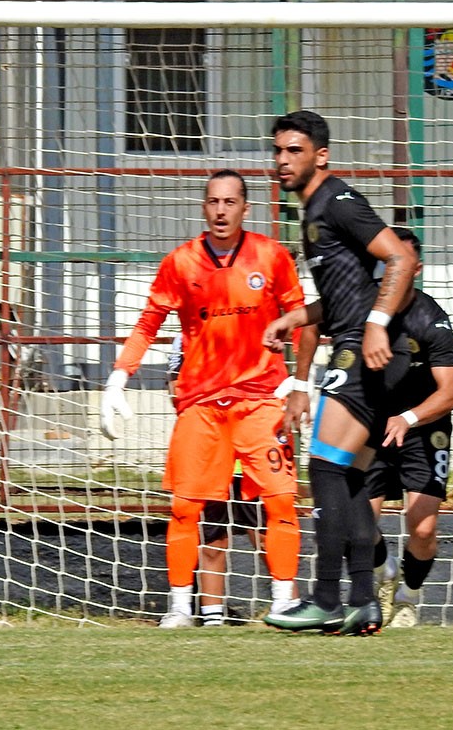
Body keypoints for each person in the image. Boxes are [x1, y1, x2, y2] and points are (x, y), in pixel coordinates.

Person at [100, 169, 317, 628]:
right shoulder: (180, 262)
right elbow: (148, 324)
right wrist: (119, 377)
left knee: (280, 501)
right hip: (201, 403)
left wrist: (301, 383)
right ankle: (181, 608)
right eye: (213, 202)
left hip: (261, 399)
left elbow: (303, 318)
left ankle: (283, 603)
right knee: (185, 508)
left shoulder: (272, 256)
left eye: (230, 202)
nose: (221, 210)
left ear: (245, 208)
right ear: (204, 207)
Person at [262, 110, 417, 636]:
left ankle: (326, 597)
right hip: (361, 346)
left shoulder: (339, 202)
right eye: (279, 150)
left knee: (325, 467)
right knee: (346, 476)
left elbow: (400, 258)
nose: (283, 160)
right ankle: (361, 600)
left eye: (295, 150)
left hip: (365, 352)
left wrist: (375, 327)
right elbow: (343, 297)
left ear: (320, 156)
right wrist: (297, 316)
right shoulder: (314, 213)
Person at [167, 336, 299, 626]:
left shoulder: (256, 328)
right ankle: (211, 618)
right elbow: (175, 385)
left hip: (254, 453)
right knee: (212, 541)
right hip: (211, 454)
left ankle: (288, 605)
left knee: (267, 534)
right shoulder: (187, 336)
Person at [366, 227, 453, 628]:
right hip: (371, 424)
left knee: (422, 528)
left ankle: (409, 596)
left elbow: (451, 393)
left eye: (403, 264)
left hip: (421, 427)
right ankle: (385, 568)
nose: (395, 271)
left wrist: (408, 418)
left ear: (416, 269)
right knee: (357, 521)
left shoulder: (432, 319)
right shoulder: (364, 308)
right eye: (389, 264)